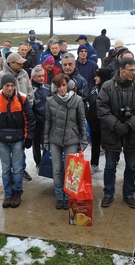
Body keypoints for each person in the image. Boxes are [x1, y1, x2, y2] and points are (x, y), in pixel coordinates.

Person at [96, 57, 135, 209]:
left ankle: (129, 193)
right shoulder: (107, 86)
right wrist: (117, 125)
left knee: (131, 165)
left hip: (132, 133)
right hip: (112, 132)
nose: (134, 72)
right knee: (110, 165)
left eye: (134, 69)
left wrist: (130, 125)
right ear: (121, 70)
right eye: (131, 70)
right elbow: (102, 109)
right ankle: (109, 193)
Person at [0, 74, 35, 208]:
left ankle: (17, 192)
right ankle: (8, 194)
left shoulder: (22, 98)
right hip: (2, 139)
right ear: (2, 86)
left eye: (12, 86)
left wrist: (29, 137)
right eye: (7, 86)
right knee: (6, 169)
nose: (10, 88)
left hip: (18, 138)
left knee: (18, 169)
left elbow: (30, 119)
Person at [44, 73, 88, 210]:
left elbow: (81, 121)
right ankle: (59, 195)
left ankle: (69, 195)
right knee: (57, 169)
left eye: (63, 85)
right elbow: (48, 122)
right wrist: (46, 140)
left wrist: (84, 140)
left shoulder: (78, 100)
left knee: (70, 170)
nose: (61, 88)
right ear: (55, 88)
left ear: (68, 86)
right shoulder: (50, 101)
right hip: (55, 139)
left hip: (72, 139)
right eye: (59, 86)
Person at [86, 67, 112, 175]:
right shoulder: (94, 89)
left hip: (107, 125)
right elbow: (88, 102)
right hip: (94, 124)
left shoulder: (110, 91)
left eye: (98, 76)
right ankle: (94, 164)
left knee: (108, 147)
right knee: (95, 145)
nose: (95, 78)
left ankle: (110, 166)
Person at [31, 65, 51, 168]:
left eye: (43, 75)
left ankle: (45, 160)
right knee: (36, 144)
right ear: (33, 77)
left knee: (47, 142)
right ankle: (38, 162)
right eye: (39, 76)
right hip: (36, 123)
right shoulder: (30, 90)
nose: (41, 78)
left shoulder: (48, 88)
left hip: (48, 121)